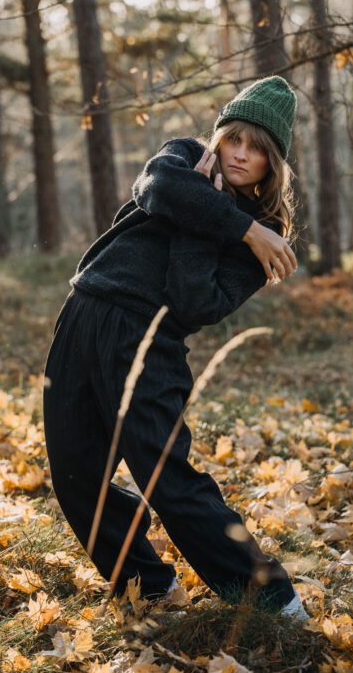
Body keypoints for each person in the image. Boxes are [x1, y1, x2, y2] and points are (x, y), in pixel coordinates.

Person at [42, 76, 308, 621]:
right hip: (83, 312)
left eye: (256, 149)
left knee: (166, 477)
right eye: (234, 138)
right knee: (73, 474)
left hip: (148, 340)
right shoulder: (184, 156)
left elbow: (192, 301)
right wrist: (232, 222)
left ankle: (271, 598)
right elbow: (159, 191)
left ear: (272, 164)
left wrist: (235, 230)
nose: (239, 154)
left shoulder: (267, 235)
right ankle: (147, 583)